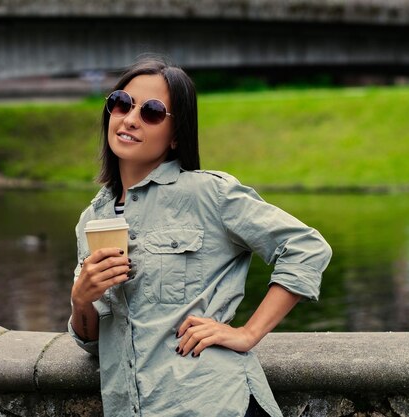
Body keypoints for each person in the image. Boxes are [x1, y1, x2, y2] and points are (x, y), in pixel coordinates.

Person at [68, 56, 332, 417]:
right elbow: (96, 344)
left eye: (153, 112)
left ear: (176, 135)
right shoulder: (91, 219)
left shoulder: (209, 194)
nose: (130, 118)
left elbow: (306, 248)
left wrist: (247, 333)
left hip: (214, 402)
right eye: (121, 103)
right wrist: (82, 300)